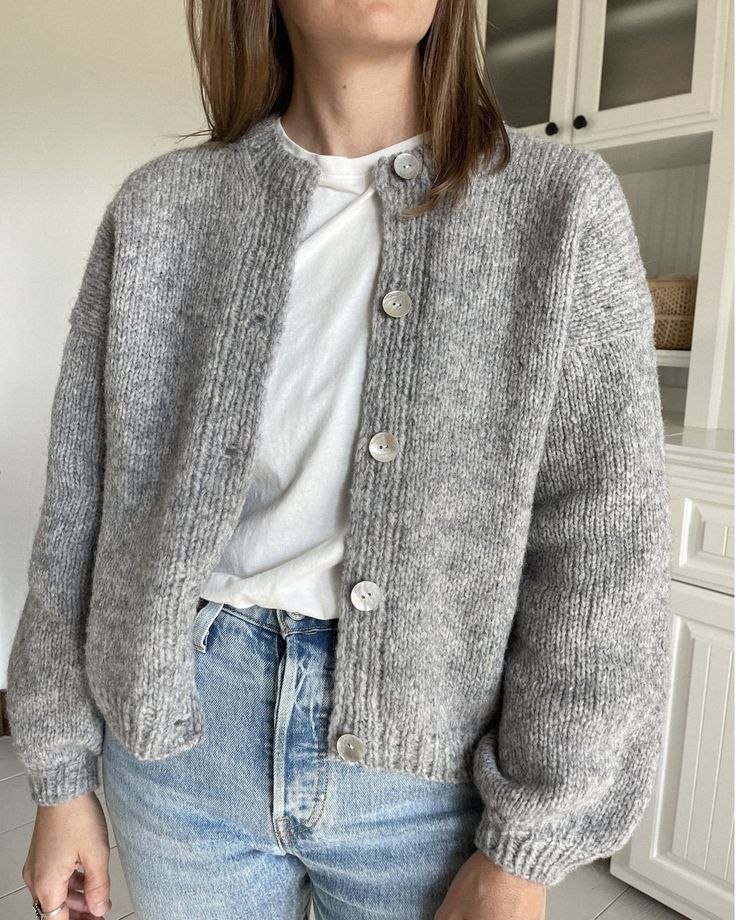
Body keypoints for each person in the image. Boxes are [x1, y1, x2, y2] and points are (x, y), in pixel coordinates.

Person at [7, 0, 673, 918]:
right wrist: (58, 775)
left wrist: (527, 843)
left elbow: (603, 550)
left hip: (429, 777)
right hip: (180, 747)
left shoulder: (559, 208)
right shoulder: (162, 210)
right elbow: (81, 503)